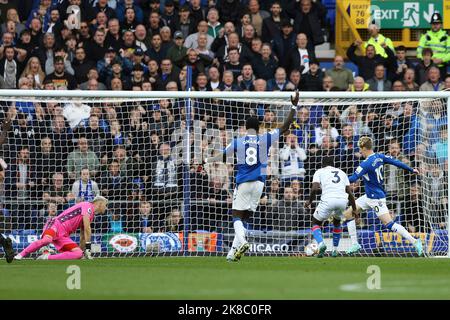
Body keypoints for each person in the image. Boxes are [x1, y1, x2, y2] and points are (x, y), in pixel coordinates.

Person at [205, 90, 300, 262]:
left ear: (245, 128)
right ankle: (232, 254)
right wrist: (293, 105)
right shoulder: (266, 138)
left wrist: (207, 159)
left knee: (236, 216)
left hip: (243, 182)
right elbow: (285, 127)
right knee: (246, 217)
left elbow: (223, 157)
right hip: (260, 184)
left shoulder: (238, 141)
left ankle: (242, 241)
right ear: (258, 128)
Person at [343, 136, 423, 256]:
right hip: (369, 196)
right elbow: (396, 162)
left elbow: (353, 178)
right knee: (348, 214)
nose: (360, 151)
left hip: (376, 199)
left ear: (364, 148)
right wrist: (411, 169)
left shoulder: (365, 164)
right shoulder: (380, 156)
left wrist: (339, 180)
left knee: (389, 224)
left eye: (360, 149)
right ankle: (355, 244)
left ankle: (415, 241)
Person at [12, 196, 108, 261]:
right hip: (55, 224)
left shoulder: (90, 215)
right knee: (47, 240)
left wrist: (83, 252)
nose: (106, 208)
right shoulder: (88, 206)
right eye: (105, 205)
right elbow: (87, 228)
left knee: (78, 253)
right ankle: (19, 255)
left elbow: (83, 234)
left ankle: (46, 257)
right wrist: (88, 247)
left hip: (63, 235)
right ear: (99, 203)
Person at [305, 156, 357, 258]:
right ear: (333, 164)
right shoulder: (342, 173)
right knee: (337, 222)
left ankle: (321, 244)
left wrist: (309, 201)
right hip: (343, 201)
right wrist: (354, 209)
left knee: (315, 222)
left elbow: (315, 189)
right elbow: (349, 193)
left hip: (328, 200)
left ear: (322, 164)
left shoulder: (319, 171)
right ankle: (335, 250)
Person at [417, 12, 450, 79]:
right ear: (431, 24)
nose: (435, 25)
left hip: (441, 66)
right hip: (427, 67)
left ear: (441, 24)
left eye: (437, 23)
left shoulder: (446, 37)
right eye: (433, 24)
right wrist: (429, 60)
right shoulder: (425, 36)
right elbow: (419, 52)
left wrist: (441, 60)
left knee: (442, 87)